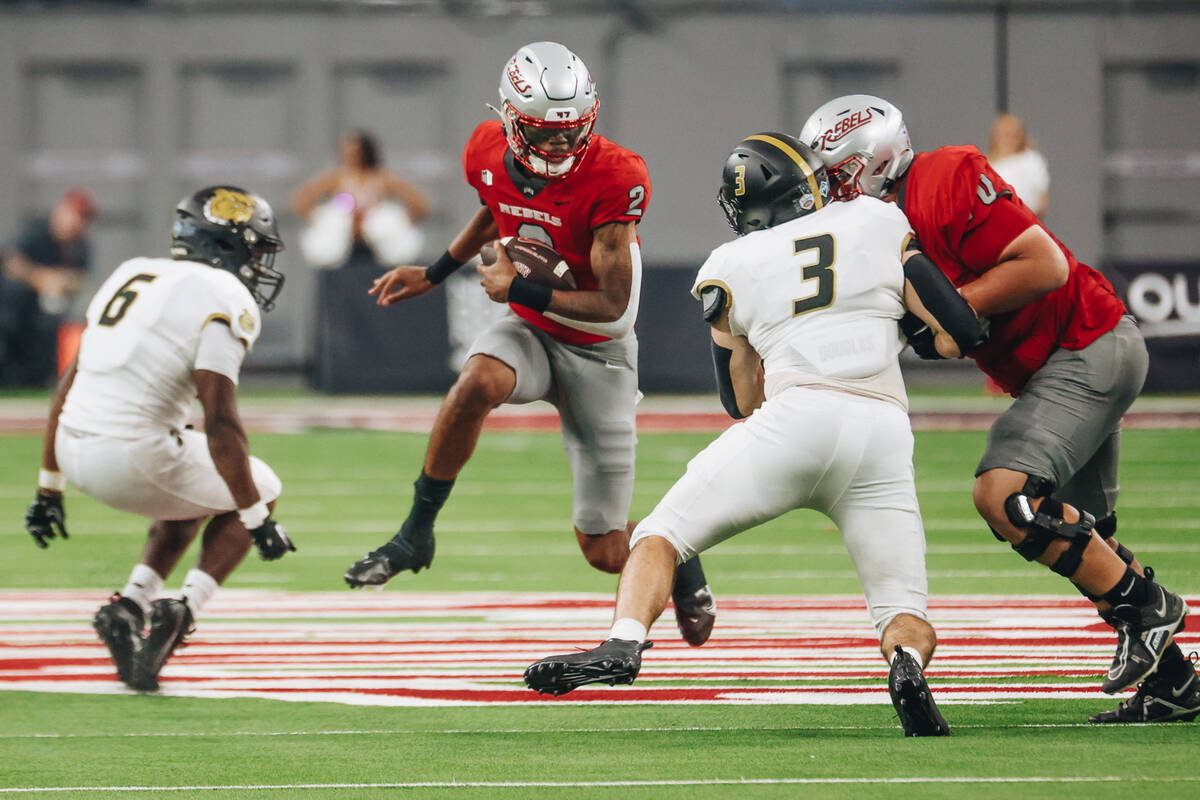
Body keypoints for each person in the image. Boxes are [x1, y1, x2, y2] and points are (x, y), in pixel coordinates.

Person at [525, 133, 987, 737]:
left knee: (660, 536)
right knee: (903, 608)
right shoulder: (877, 218)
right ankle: (903, 662)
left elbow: (741, 400)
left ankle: (624, 643)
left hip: (796, 419)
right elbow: (958, 332)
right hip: (882, 430)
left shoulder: (729, 264)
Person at [799, 95, 1196, 723]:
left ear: (871, 161)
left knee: (1004, 496)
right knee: (1085, 535)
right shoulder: (877, 227)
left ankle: (1151, 608)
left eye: (835, 170)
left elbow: (1045, 264)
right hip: (1060, 362)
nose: (829, 186)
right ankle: (1176, 683)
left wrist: (956, 307)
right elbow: (949, 334)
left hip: (1086, 342)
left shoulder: (943, 177)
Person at [341, 41, 716, 647]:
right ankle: (416, 531)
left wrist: (516, 286)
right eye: (545, 134)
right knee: (475, 382)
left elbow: (611, 303)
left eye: (573, 134)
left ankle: (678, 553)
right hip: (531, 332)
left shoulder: (616, 175)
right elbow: (496, 206)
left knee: (603, 550)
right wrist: (434, 272)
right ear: (512, 119)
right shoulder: (486, 148)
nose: (561, 148)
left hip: (601, 350)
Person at [23, 185, 296, 691]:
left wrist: (48, 488)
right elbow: (221, 423)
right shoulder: (223, 294)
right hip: (131, 457)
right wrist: (257, 521)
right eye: (255, 249)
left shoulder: (131, 271)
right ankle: (183, 609)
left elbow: (68, 386)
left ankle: (130, 605)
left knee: (190, 472)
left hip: (74, 446)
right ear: (227, 244)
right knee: (262, 484)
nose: (258, 264)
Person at [290, 129, 430, 269]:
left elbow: (419, 204)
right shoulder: (336, 177)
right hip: (342, 243)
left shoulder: (382, 177)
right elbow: (301, 200)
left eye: (355, 151)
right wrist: (321, 221)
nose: (351, 155)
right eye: (347, 151)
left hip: (377, 245)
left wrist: (400, 222)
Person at [0, 188, 96, 387]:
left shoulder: (80, 246)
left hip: (44, 314)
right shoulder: (37, 231)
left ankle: (35, 381)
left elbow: (80, 277)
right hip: (14, 306)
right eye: (72, 214)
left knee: (49, 335)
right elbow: (11, 262)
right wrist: (40, 277)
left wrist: (63, 281)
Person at [987, 113, 1050, 218]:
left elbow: (1042, 202)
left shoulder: (1031, 160)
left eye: (1012, 134)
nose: (1007, 140)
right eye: (1002, 135)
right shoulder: (985, 165)